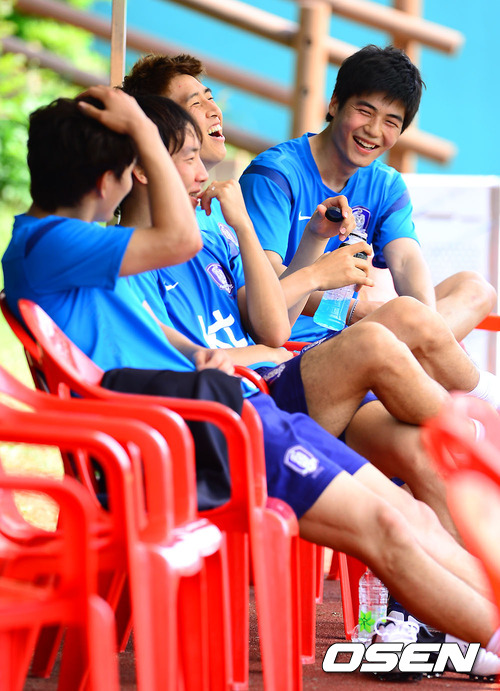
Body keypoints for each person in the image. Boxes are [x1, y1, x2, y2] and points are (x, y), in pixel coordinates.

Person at [4, 87, 500, 676]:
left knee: (408, 515)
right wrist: (139, 126)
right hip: (199, 434)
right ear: (116, 176)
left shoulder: (80, 251)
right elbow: (180, 239)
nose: (197, 167)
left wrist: (202, 351)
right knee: (389, 525)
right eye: (178, 156)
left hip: (233, 410)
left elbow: (146, 329)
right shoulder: (51, 244)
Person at [236, 44, 497, 343]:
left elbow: (406, 261)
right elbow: (264, 284)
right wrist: (352, 311)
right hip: (284, 344)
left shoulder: (385, 184)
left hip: (349, 338)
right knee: (391, 334)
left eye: (391, 122)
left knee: (475, 288)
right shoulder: (274, 174)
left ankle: (425, 349)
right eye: (364, 111)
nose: (374, 130)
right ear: (335, 104)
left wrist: (427, 326)